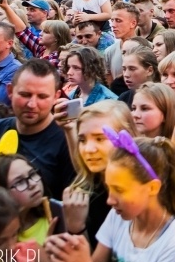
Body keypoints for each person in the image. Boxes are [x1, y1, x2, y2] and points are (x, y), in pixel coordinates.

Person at [45, 134, 175, 262]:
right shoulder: (118, 216)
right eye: (109, 187)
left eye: (119, 189)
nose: (109, 200)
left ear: (152, 187)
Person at [0, 59, 75, 199]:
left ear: (56, 97)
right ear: (10, 91)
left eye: (42, 96)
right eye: (25, 94)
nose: (31, 104)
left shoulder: (67, 141)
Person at [58, 100, 138, 250]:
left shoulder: (138, 195)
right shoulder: (91, 186)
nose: (88, 149)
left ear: (127, 138)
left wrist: (76, 228)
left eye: (100, 138)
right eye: (82, 140)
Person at [0, 152, 63, 246]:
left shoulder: (57, 211)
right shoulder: (2, 240)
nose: (32, 184)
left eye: (32, 174)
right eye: (20, 182)